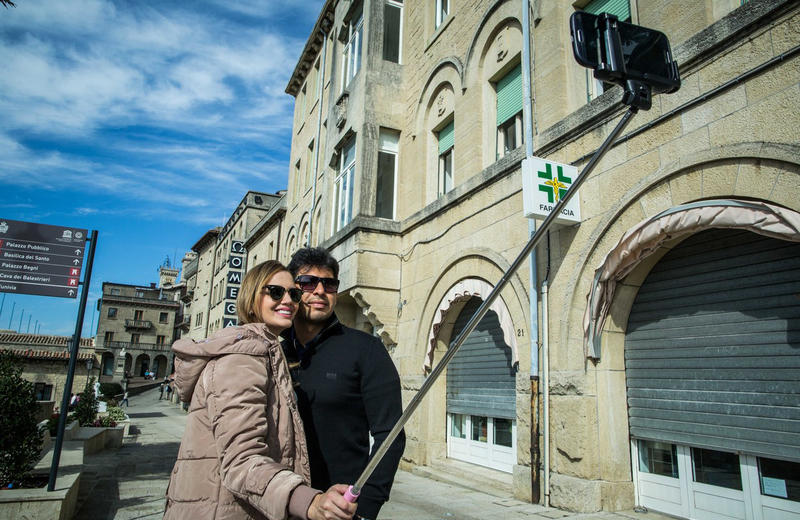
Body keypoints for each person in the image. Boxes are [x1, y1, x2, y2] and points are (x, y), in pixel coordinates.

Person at [164, 260, 357, 520]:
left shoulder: (265, 352)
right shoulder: (242, 358)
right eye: (276, 292)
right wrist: (310, 502)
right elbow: (241, 462)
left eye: (294, 294)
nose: (288, 300)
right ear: (252, 297)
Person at [284, 247, 405, 520]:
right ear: (293, 291)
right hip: (281, 502)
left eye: (329, 284)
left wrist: (366, 507)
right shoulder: (274, 353)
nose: (319, 291)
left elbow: (390, 435)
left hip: (340, 509)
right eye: (307, 282)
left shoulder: (366, 349)